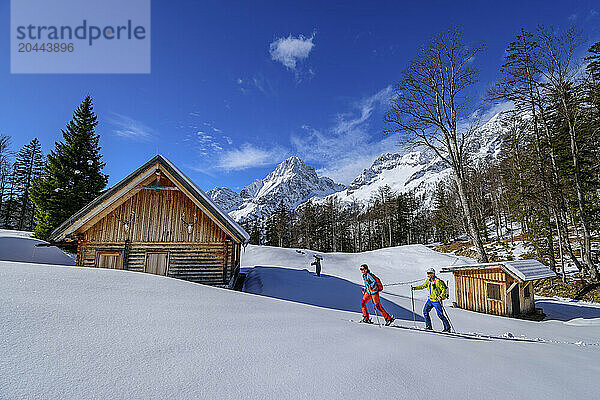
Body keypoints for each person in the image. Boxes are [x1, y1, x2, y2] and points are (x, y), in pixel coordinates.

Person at [411, 268, 451, 332]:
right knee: (425, 311)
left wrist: (440, 296)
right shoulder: (428, 281)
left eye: (429, 273)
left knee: (440, 315)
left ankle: (447, 328)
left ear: (433, 273)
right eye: (427, 273)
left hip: (436, 301)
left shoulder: (437, 281)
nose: (428, 275)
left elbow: (443, 289)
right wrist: (414, 288)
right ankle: (428, 326)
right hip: (430, 300)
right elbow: (423, 286)